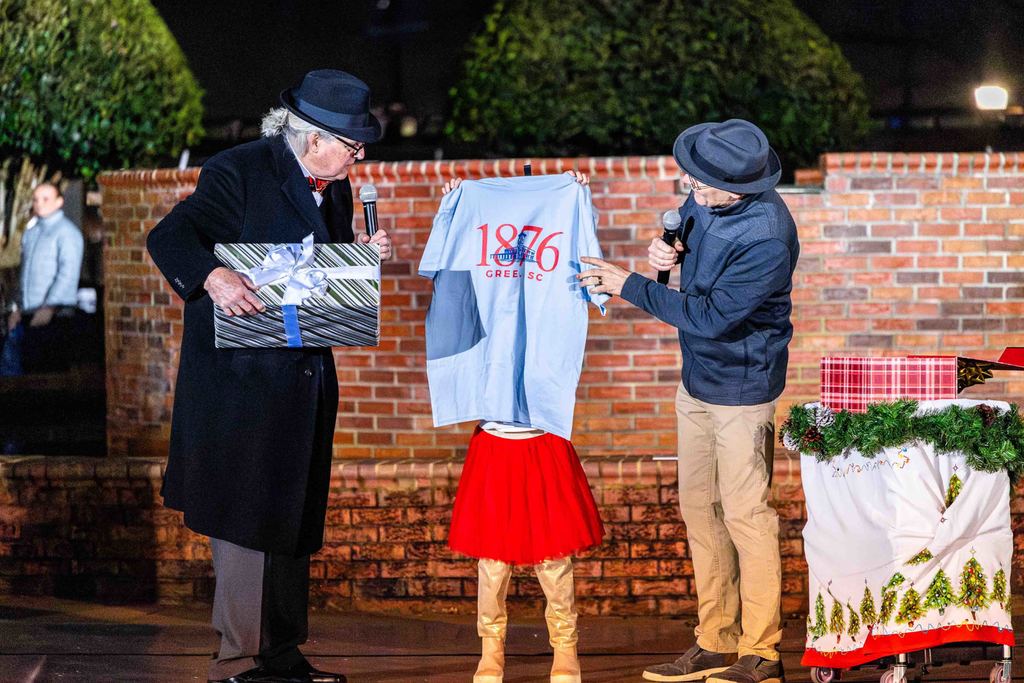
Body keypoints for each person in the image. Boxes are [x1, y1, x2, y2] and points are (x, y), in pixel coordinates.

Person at [146, 69, 394, 683]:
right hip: (240, 387)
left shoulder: (335, 188)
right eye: (352, 144)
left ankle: (282, 656)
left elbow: (320, 280)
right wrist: (211, 276)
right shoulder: (238, 169)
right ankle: (237, 660)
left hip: (302, 386)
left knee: (291, 522)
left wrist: (364, 259)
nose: (358, 155)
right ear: (315, 139)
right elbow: (171, 235)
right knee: (244, 522)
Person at [579, 119, 799, 683]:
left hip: (742, 389)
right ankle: (716, 638)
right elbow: (686, 240)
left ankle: (762, 651)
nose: (693, 191)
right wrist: (668, 251)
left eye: (705, 188)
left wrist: (629, 284)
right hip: (696, 382)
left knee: (748, 516)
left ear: (743, 189)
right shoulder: (708, 191)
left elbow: (709, 317)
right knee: (700, 510)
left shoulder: (767, 235)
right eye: (692, 181)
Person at [434, 172, 604, 683]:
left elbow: (592, 275)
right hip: (496, 435)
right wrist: (451, 209)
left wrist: (582, 201)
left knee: (554, 558)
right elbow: (442, 267)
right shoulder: (471, 210)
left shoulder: (566, 203)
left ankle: (565, 648)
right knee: (493, 561)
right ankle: (492, 650)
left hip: (542, 431)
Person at [2, 182, 85, 375]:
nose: (39, 204)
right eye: (36, 199)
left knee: (49, 374)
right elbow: (24, 274)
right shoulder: (31, 233)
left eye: (46, 199)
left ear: (59, 202)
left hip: (56, 316)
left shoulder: (67, 233)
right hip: (29, 314)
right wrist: (16, 308)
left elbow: (68, 273)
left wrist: (50, 306)